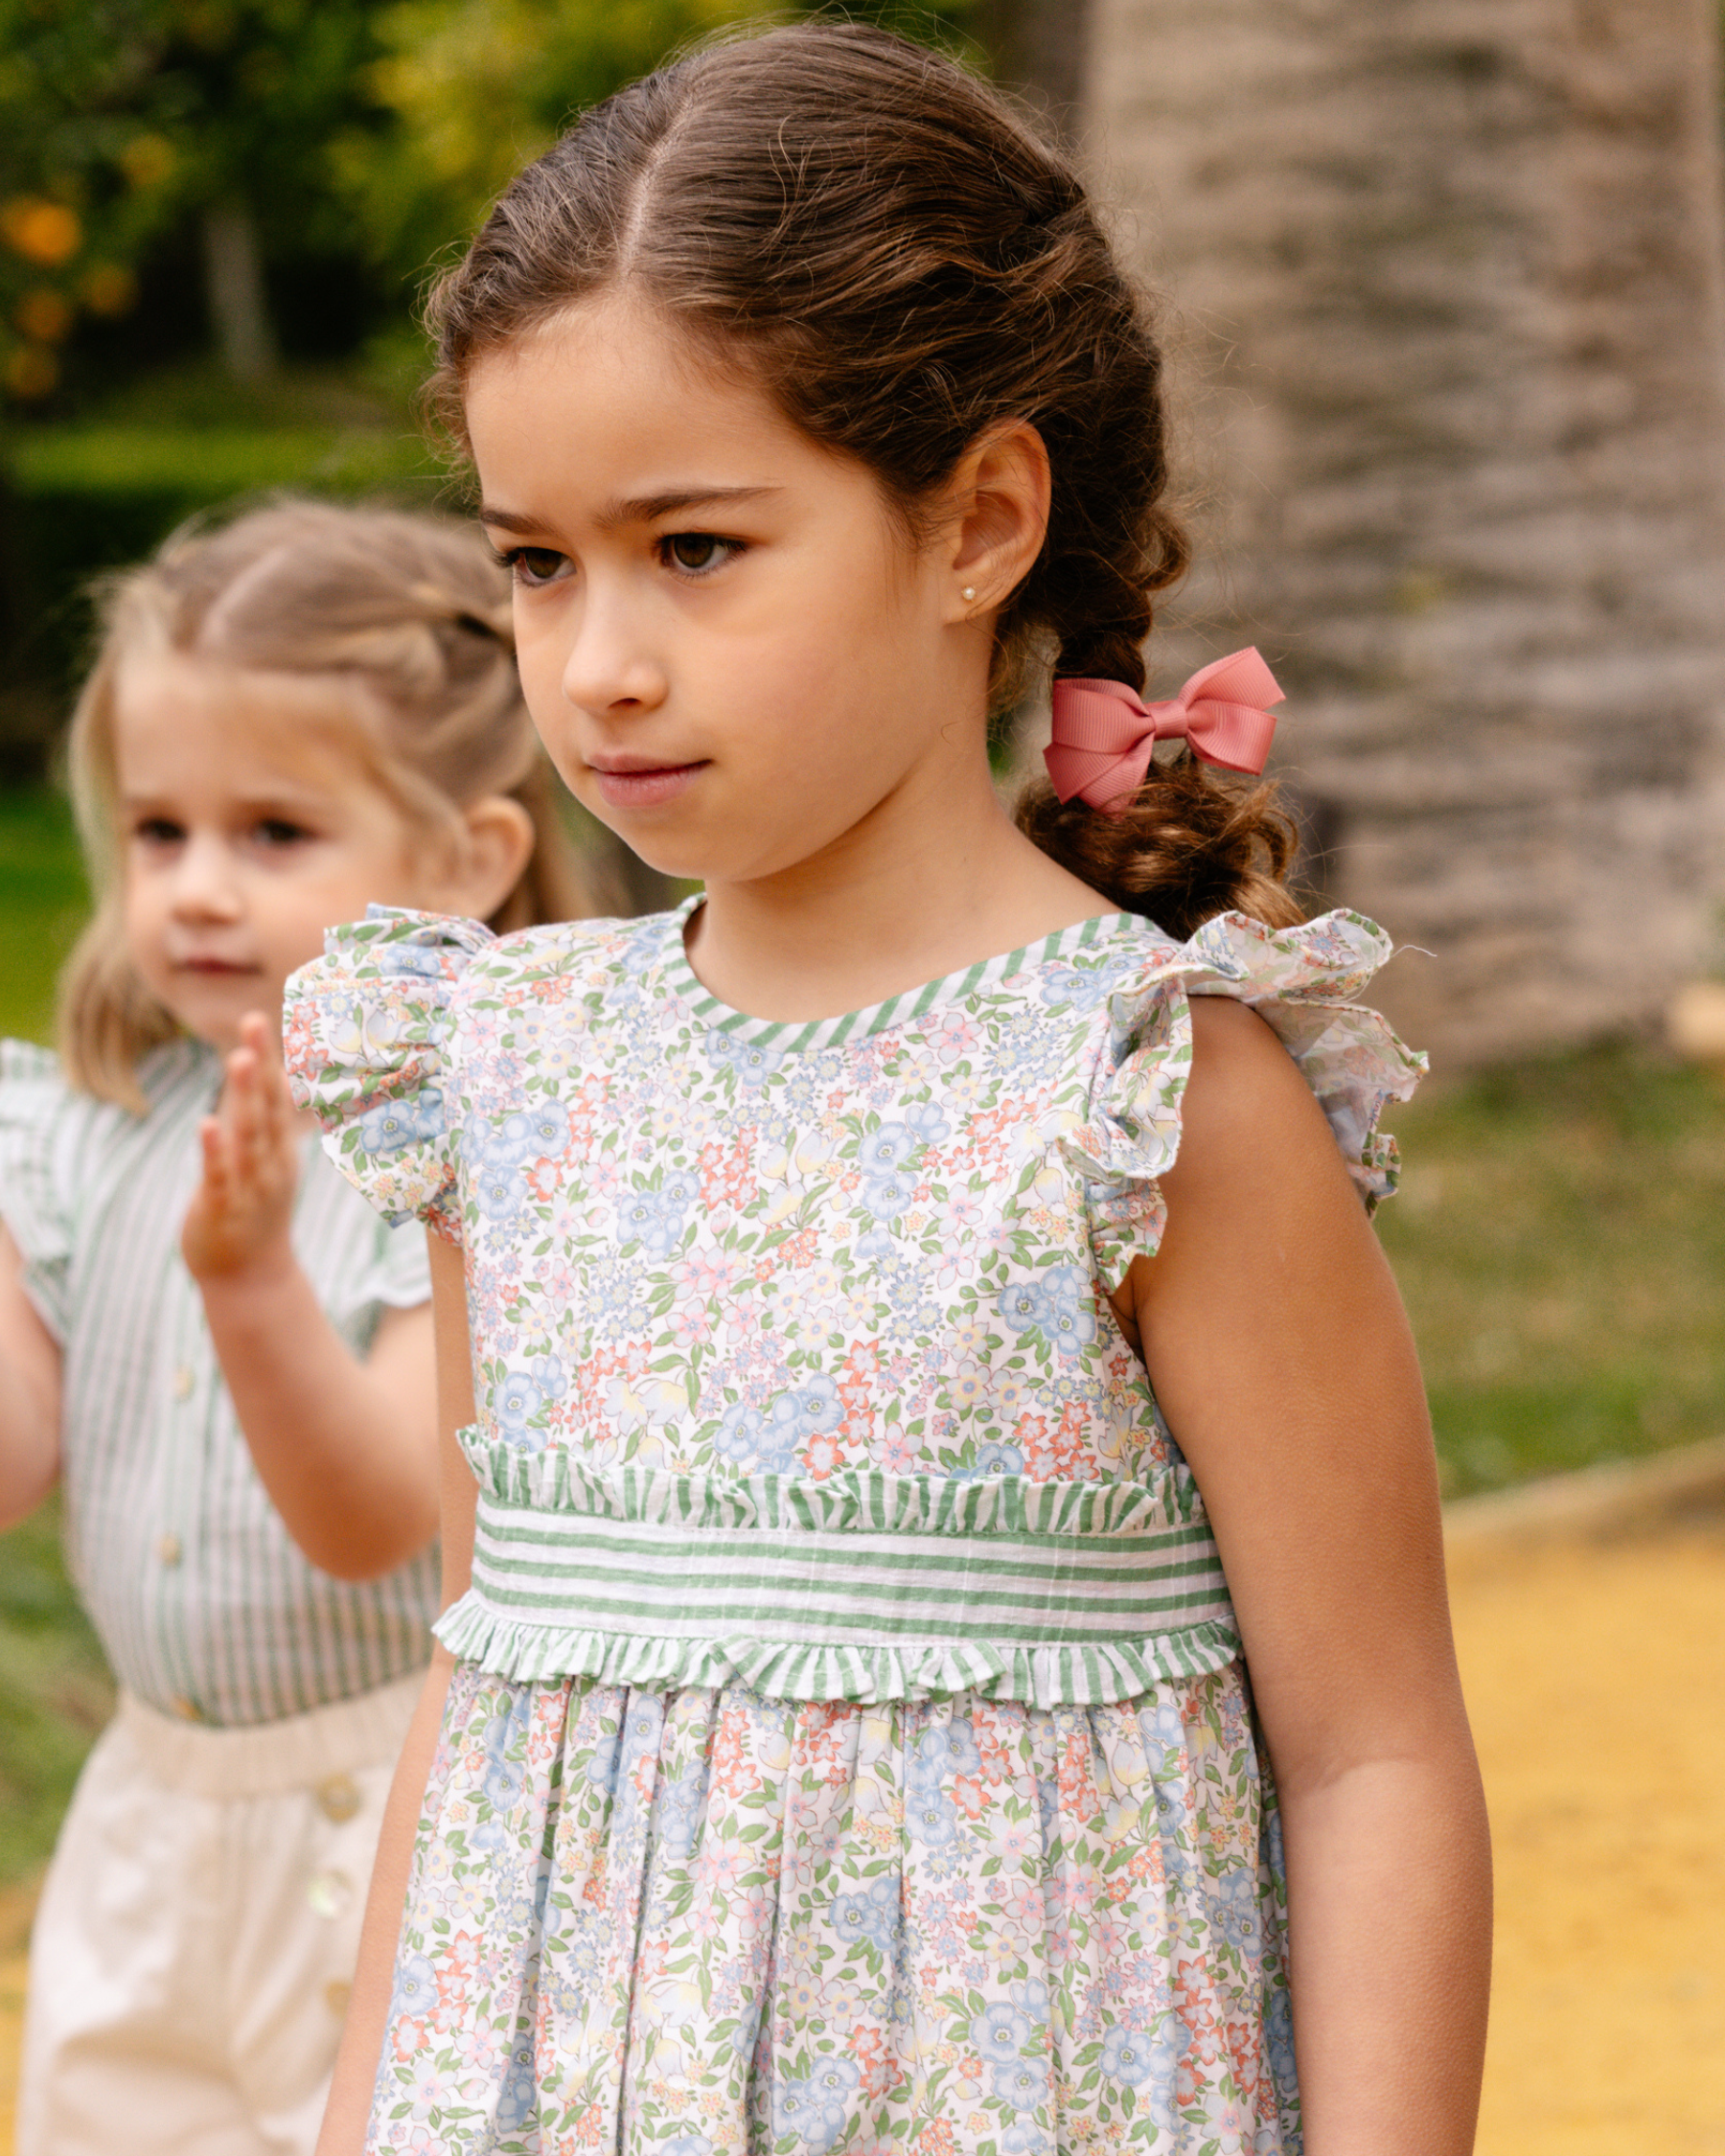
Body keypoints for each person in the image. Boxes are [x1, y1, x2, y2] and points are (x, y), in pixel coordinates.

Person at [288, 24, 1492, 2155]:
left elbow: (1375, 1757)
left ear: (980, 525)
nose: (598, 666)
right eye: (539, 564)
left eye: (699, 548)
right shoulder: (499, 1063)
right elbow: (492, 1692)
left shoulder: (1144, 1093)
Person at [0, 498, 589, 2156]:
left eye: (272, 832)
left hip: (381, 1816)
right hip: (148, 1815)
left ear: (469, 861)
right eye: (158, 829)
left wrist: (251, 1281)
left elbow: (368, 1518)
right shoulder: (80, 1127)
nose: (193, 887)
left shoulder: (457, 1158)